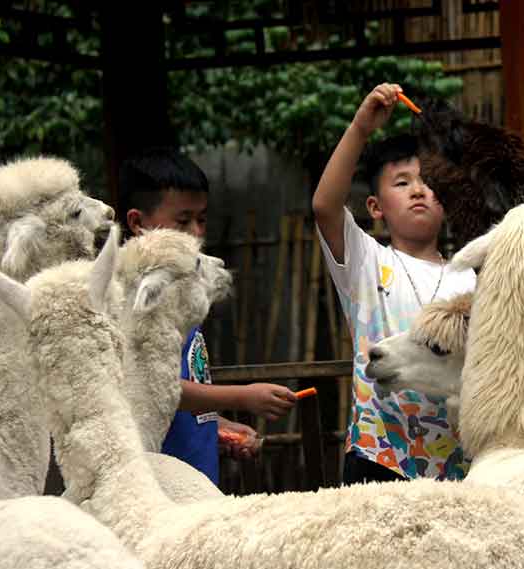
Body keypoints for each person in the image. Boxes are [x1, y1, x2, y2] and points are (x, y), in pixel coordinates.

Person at [312, 83, 477, 484]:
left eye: (428, 183)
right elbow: (324, 206)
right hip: (379, 457)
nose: (418, 191)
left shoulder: (471, 276)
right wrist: (360, 128)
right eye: (402, 183)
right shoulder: (366, 261)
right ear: (375, 207)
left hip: (461, 463)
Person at [122, 147, 297, 485]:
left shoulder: (183, 291)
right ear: (137, 223)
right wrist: (242, 397)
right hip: (158, 483)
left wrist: (219, 426)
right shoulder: (136, 295)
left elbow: (180, 397)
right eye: (183, 221)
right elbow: (153, 386)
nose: (196, 232)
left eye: (201, 220)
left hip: (197, 478)